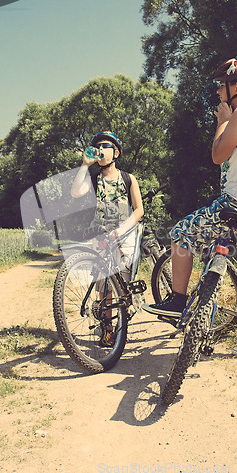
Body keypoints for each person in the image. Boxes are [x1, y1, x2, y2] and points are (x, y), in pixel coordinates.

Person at [142, 57, 237, 354]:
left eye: (222, 84)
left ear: (236, 86)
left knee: (181, 235)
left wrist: (221, 122)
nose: (218, 90)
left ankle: (177, 300)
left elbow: (217, 155)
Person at [71, 131, 144, 345]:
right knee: (103, 287)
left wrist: (122, 230)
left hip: (125, 236)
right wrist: (85, 165)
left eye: (105, 145)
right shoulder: (93, 180)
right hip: (101, 237)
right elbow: (75, 192)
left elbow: (139, 210)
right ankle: (107, 330)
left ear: (116, 152)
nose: (100, 149)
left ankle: (122, 329)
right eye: (97, 146)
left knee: (123, 284)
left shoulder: (128, 178)